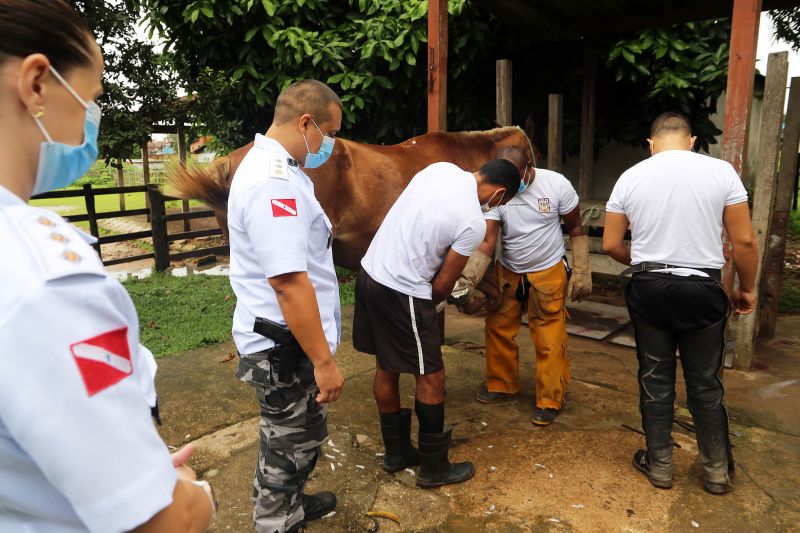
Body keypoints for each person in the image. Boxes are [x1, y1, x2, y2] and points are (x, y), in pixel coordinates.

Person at [0, 1, 215, 531]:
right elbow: (158, 520)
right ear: (36, 84)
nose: (91, 122)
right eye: (90, 98)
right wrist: (194, 495)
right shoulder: (43, 278)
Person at [602, 111, 758, 494]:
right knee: (706, 384)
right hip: (701, 290)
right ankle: (717, 473)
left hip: (649, 288)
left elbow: (610, 244)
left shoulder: (630, 176)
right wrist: (746, 289)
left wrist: (640, 264)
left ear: (651, 144)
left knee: (655, 380)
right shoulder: (721, 172)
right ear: (691, 140)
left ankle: (660, 468)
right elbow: (745, 243)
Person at [353, 159, 522, 488]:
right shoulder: (473, 221)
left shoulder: (438, 169)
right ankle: (434, 468)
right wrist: (450, 302)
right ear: (499, 194)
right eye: (501, 201)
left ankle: (397, 453)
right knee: (431, 374)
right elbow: (443, 285)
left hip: (370, 272)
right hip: (403, 290)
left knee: (387, 366)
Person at [227, 80, 345, 532]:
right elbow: (290, 283)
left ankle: (287, 502)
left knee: (291, 437)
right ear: (305, 122)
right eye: (328, 132)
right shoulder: (273, 182)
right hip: (285, 347)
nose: (329, 144)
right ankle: (276, 522)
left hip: (286, 339)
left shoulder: (282, 170)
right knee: (290, 442)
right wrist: (324, 361)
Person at [467, 147, 592, 426]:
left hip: (547, 271)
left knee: (549, 337)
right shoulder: (499, 190)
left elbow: (575, 229)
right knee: (497, 327)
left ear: (529, 168)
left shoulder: (557, 185)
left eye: (517, 176)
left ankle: (549, 398)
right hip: (510, 270)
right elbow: (488, 241)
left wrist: (582, 270)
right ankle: (501, 384)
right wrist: (469, 278)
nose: (513, 183)